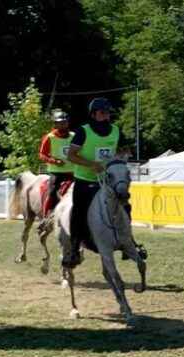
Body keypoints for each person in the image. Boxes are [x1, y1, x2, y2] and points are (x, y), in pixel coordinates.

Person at [63, 97, 144, 266]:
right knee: (79, 212)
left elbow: (123, 150)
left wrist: (123, 156)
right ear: (93, 114)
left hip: (108, 182)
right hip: (85, 180)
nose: (106, 116)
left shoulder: (115, 130)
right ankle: (74, 249)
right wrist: (92, 164)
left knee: (125, 206)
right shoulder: (83, 131)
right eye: (102, 113)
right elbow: (71, 155)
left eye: (108, 113)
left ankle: (129, 243)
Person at [38, 109, 74, 218]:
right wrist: (54, 161)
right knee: (52, 192)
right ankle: (45, 217)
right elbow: (42, 154)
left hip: (73, 172)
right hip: (56, 172)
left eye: (65, 122)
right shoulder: (49, 137)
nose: (63, 125)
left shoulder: (74, 136)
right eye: (60, 123)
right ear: (55, 124)